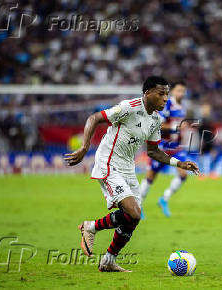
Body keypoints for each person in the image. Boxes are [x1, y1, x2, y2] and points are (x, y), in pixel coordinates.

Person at [64, 76, 199, 272]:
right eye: (161, 94)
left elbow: (153, 151)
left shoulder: (155, 120)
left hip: (127, 167)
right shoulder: (129, 107)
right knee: (134, 211)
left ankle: (109, 260)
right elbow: (94, 118)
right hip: (108, 163)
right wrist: (85, 148)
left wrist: (179, 163)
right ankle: (90, 227)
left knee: (134, 218)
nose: (165, 99)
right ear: (147, 93)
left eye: (167, 95)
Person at [139, 81, 188, 218]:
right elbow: (157, 124)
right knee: (150, 177)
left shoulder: (182, 107)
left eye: (183, 91)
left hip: (176, 147)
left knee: (183, 174)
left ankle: (164, 199)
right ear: (173, 92)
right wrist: (175, 128)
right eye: (178, 91)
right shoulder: (167, 104)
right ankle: (138, 205)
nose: (181, 94)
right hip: (163, 146)